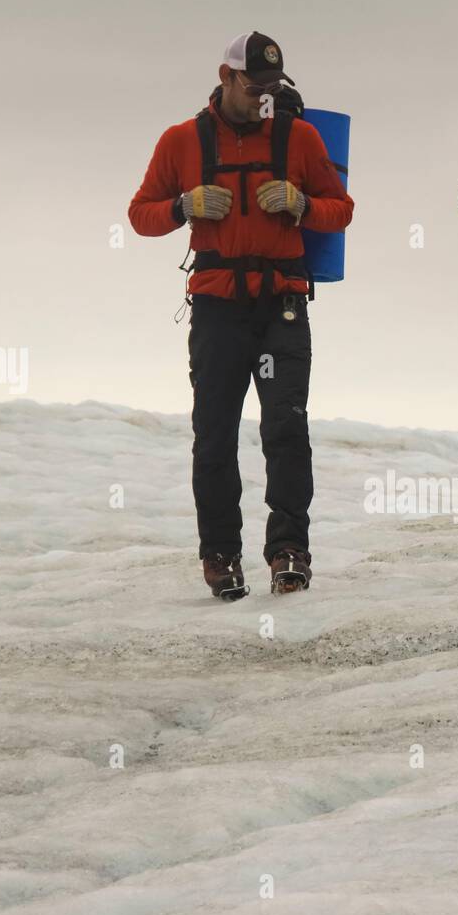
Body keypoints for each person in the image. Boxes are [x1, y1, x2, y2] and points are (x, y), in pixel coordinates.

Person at [128, 31, 354, 597]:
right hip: (217, 309)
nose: (264, 98)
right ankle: (220, 556)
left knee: (286, 429)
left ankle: (289, 552)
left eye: (274, 88)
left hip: (282, 305)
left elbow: (341, 210)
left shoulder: (300, 137)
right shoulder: (181, 141)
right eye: (255, 87)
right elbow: (139, 215)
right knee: (214, 436)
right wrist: (184, 206)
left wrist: (302, 204)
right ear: (226, 77)